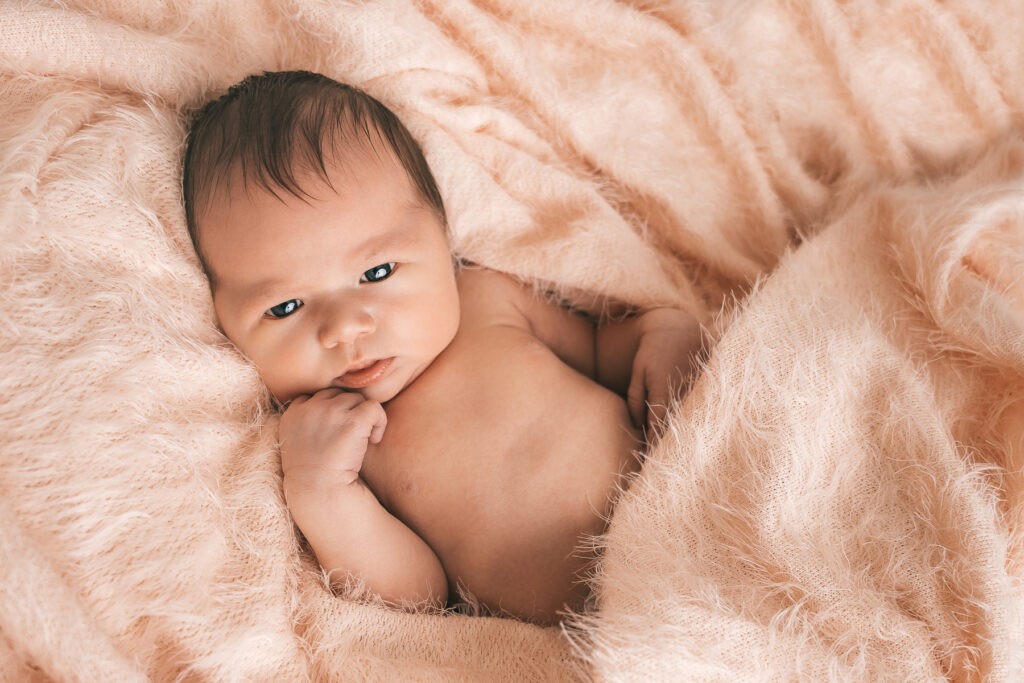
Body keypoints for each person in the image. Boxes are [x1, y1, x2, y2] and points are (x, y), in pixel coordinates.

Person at [182, 70, 702, 625]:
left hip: (692, 512)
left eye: (377, 272)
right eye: (285, 307)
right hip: (617, 622)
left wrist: (662, 335)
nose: (346, 328)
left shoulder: (488, 299)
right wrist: (324, 495)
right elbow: (418, 598)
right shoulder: (337, 446)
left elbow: (606, 355)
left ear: (443, 239)